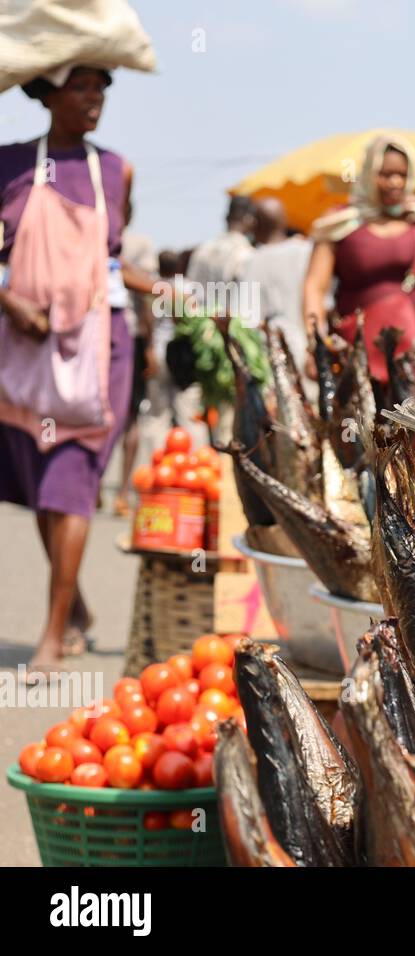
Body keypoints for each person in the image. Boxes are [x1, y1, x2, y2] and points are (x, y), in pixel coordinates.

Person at [0, 65, 152, 670]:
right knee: (43, 482)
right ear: (47, 92)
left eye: (102, 87)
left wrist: (169, 291)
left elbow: (107, 259)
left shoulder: (114, 170)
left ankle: (52, 631)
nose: (94, 98)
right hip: (24, 342)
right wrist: (9, 300)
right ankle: (77, 606)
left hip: (98, 346)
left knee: (73, 477)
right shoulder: (10, 164)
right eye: (81, 86)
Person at [302, 133, 415, 406]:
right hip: (360, 359)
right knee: (365, 436)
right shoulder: (340, 224)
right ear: (369, 174)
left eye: (402, 175)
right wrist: (316, 346)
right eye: (385, 174)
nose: (395, 182)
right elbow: (315, 287)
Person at [112, 198, 159, 516]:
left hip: (102, 340)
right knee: (129, 418)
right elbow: (147, 299)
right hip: (128, 340)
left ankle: (103, 491)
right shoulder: (140, 246)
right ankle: (122, 492)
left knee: (104, 417)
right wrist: (151, 346)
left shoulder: (92, 241)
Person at [239, 196, 313, 380]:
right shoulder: (307, 252)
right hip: (311, 351)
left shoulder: (251, 261)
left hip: (273, 359)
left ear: (257, 225)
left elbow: (246, 319)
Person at [187, 194, 255, 289]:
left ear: (227, 218)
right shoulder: (246, 254)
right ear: (249, 219)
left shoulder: (202, 249)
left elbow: (191, 288)